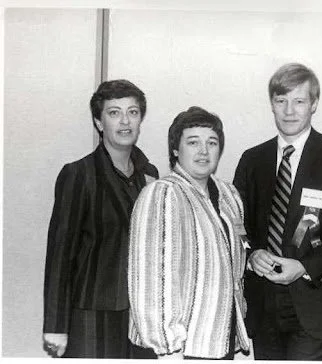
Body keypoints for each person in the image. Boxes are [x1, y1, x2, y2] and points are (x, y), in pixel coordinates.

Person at [233, 63, 322, 360]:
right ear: (272, 105)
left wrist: (305, 267)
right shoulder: (252, 160)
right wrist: (252, 255)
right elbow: (236, 225)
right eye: (281, 101)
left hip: (315, 302)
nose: (289, 111)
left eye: (299, 101)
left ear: (314, 104)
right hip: (264, 304)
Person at [42, 80, 159, 358]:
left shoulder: (150, 175)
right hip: (91, 313)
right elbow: (60, 255)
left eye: (132, 112)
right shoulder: (78, 174)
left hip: (143, 314)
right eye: (114, 112)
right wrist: (55, 326)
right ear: (98, 121)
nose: (125, 121)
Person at [128, 106, 250, 359]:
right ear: (175, 150)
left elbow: (230, 259)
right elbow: (152, 279)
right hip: (181, 349)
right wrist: (168, 348)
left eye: (212, 142)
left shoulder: (228, 195)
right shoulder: (163, 194)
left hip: (219, 340)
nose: (204, 151)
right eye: (193, 142)